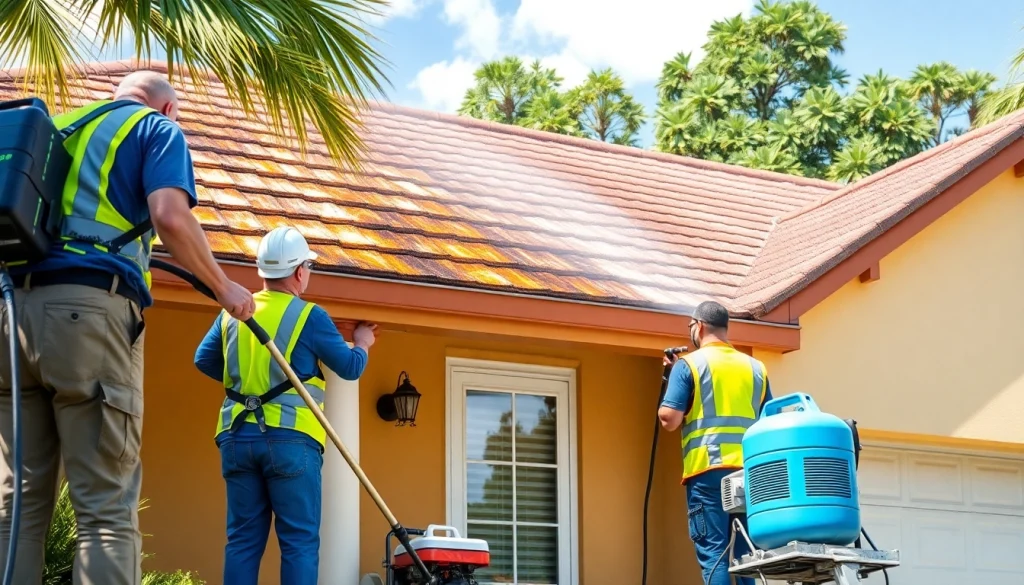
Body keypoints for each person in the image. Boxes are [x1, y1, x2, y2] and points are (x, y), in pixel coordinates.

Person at [0, 71, 255, 585]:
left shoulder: (59, 128)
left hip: (11, 317)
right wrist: (224, 287)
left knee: (16, 510)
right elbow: (171, 217)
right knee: (105, 510)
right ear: (168, 109)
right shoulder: (155, 129)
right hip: (87, 316)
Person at [193, 226, 377, 585]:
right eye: (308, 266)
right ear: (298, 272)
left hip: (237, 439)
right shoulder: (309, 316)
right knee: (298, 543)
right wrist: (363, 342)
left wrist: (245, 382)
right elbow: (350, 367)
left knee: (243, 542)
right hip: (292, 443)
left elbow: (204, 359)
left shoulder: (234, 312)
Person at [658, 300, 773, 585]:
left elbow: (669, 420)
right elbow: (768, 421)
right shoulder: (756, 368)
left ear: (699, 326)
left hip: (709, 472)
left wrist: (671, 379)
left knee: (715, 553)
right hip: (749, 472)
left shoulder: (689, 365)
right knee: (747, 554)